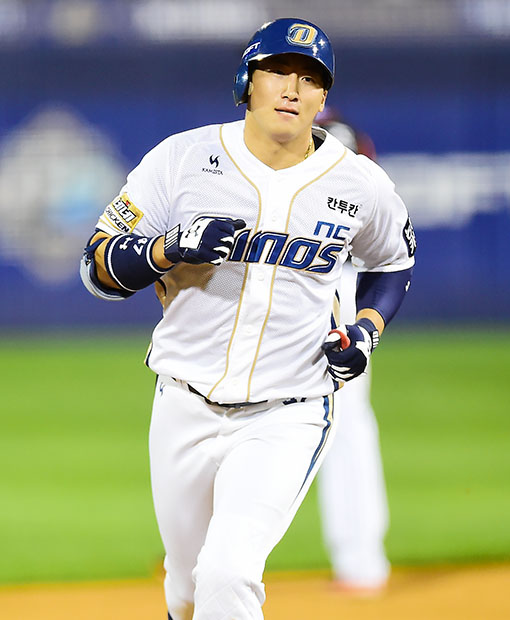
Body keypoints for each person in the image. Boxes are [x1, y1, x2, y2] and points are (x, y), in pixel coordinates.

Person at [78, 18, 415, 620]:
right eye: (278, 71)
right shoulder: (182, 159)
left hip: (288, 411)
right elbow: (96, 267)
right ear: (247, 80)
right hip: (183, 401)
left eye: (309, 78)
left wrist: (366, 330)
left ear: (323, 96)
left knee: (228, 573)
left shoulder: (360, 182)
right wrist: (165, 250)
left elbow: (393, 262)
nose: (292, 88)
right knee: (186, 592)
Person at [313, 109, 391, 594]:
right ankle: (358, 557)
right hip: (328, 279)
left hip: (334, 283)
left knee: (344, 422)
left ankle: (362, 557)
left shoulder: (321, 137)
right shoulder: (348, 136)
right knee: (341, 424)